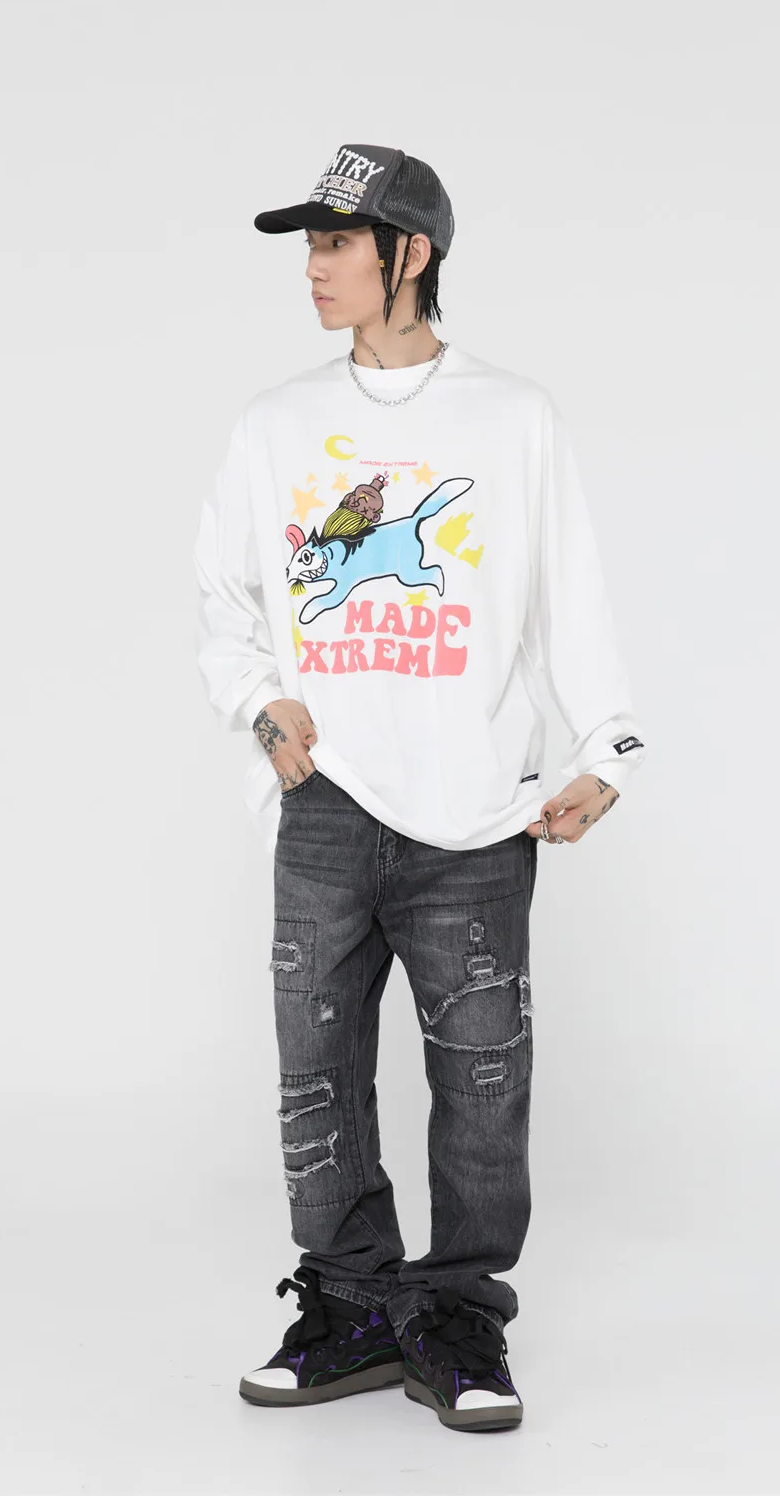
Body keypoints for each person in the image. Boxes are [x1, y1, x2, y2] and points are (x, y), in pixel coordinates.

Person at [192, 141, 646, 1434]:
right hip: (328, 803)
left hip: (477, 810)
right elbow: (225, 595)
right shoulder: (274, 425)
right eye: (309, 245)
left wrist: (607, 748)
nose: (315, 268)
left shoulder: (513, 417)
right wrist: (263, 704)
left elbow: (570, 592)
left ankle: (458, 1318)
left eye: (339, 242)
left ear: (413, 253)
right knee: (317, 1071)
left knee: (483, 1084)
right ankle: (347, 1308)